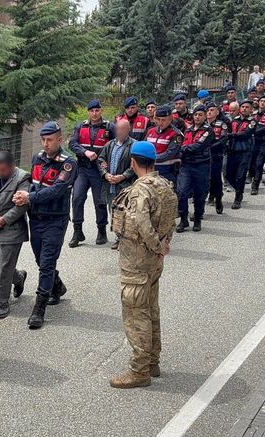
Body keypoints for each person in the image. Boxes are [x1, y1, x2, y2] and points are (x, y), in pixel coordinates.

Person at [108, 141, 176, 389]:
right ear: (154, 161)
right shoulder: (165, 186)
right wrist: (164, 245)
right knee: (151, 309)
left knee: (136, 314)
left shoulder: (140, 191)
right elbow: (171, 219)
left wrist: (157, 245)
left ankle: (139, 371)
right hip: (154, 262)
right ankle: (152, 362)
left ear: (133, 163)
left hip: (137, 261)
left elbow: (141, 225)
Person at [13, 121, 77, 329]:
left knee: (47, 262)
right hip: (37, 218)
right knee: (41, 260)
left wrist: (29, 197)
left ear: (60, 139)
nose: (46, 143)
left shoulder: (69, 163)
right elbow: (34, 182)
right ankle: (57, 286)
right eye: (43, 139)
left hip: (55, 220)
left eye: (50, 139)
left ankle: (39, 309)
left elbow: (56, 190)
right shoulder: (37, 158)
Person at [0, 150, 29, 319]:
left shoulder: (23, 177)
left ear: (12, 166)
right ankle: (18, 278)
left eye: (3, 170)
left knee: (3, 267)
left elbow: (21, 205)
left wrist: (4, 219)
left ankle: (2, 303)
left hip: (12, 228)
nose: (0, 173)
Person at [69, 99, 114, 248]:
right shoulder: (80, 126)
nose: (94, 114)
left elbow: (115, 145)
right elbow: (72, 144)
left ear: (101, 110)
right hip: (82, 168)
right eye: (92, 111)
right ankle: (77, 231)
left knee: (99, 201)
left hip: (99, 170)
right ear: (88, 112)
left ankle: (102, 231)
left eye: (97, 110)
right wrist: (85, 152)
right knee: (77, 198)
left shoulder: (109, 127)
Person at [98, 119, 136, 250]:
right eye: (117, 129)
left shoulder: (134, 145)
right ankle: (119, 237)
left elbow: (134, 165)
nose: (119, 132)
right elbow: (101, 159)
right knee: (113, 211)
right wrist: (105, 173)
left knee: (126, 213)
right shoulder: (110, 144)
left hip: (125, 186)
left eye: (122, 129)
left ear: (128, 129)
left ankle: (126, 239)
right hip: (110, 185)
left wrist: (123, 176)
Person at [178, 104, 213, 232]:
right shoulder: (188, 130)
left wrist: (183, 149)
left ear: (205, 116)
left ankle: (197, 219)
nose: (197, 117)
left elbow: (198, 146)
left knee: (200, 194)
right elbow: (182, 145)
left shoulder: (208, 130)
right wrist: (182, 150)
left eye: (200, 115)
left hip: (201, 165)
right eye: (195, 115)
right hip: (186, 165)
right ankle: (183, 219)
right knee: (181, 192)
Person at [225, 99, 257, 209]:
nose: (244, 109)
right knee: (228, 175)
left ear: (251, 109)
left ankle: (238, 197)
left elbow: (246, 134)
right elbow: (227, 133)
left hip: (245, 152)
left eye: (247, 107)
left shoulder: (252, 122)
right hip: (232, 151)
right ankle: (239, 189)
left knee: (240, 175)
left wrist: (231, 135)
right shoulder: (234, 120)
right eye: (243, 107)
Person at [145, 105, 183, 188]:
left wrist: (151, 158)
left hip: (168, 171)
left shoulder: (176, 134)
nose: (160, 122)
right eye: (158, 119)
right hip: (151, 170)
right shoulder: (150, 131)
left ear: (170, 118)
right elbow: (145, 147)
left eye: (163, 120)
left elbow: (169, 153)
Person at [205, 102, 229, 213]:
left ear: (217, 112)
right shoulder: (202, 124)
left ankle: (218, 198)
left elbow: (223, 140)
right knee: (204, 179)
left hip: (216, 156)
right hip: (203, 156)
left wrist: (209, 147)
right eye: (207, 110)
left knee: (216, 179)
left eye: (212, 110)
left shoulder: (221, 124)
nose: (209, 112)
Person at [249, 96, 265, 195]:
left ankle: (255, 186)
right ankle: (252, 176)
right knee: (251, 164)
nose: (262, 103)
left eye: (264, 101)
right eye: (261, 101)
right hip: (252, 142)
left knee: (259, 164)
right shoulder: (253, 114)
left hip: (263, 142)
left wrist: (254, 131)